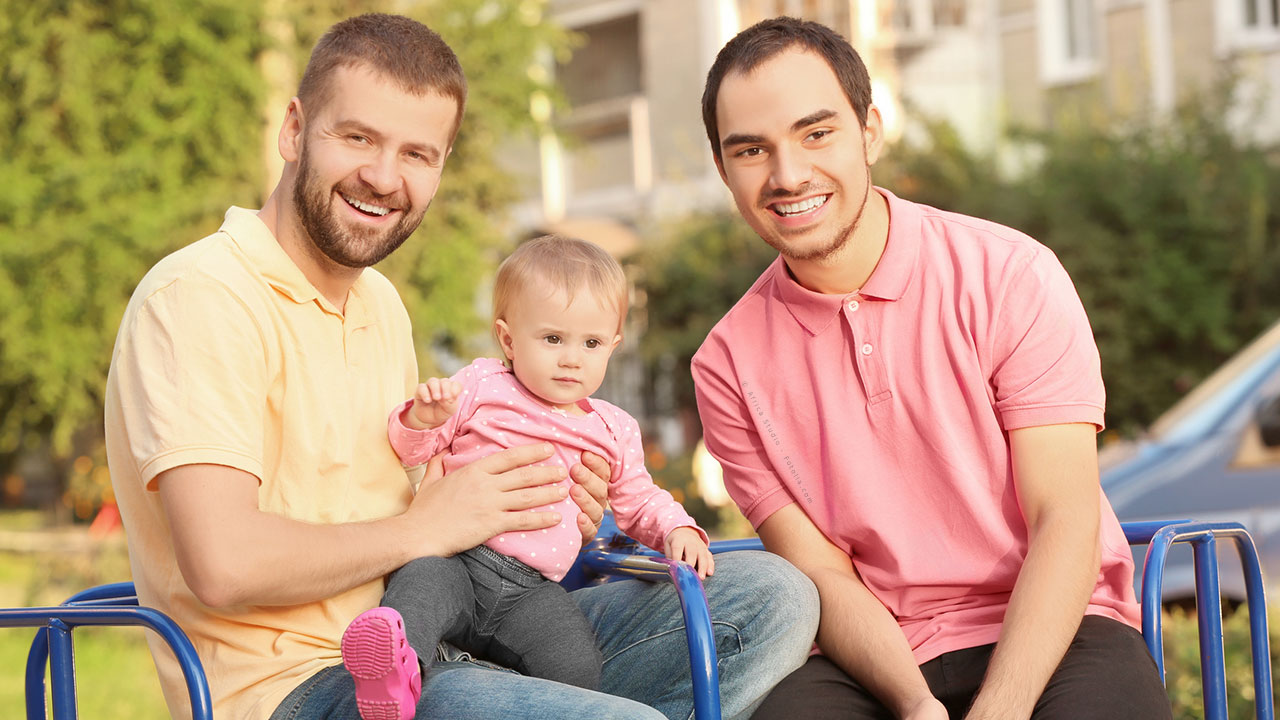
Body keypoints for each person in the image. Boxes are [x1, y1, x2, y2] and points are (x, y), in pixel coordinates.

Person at [104, 13, 817, 720]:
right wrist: (425, 531)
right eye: (357, 137)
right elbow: (223, 564)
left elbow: (433, 484)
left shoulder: (378, 304)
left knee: (774, 598)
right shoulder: (200, 296)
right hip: (299, 688)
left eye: (419, 154)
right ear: (293, 130)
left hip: (452, 630)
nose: (384, 177)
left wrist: (546, 498)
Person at [691, 16, 1172, 720]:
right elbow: (821, 573)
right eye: (752, 150)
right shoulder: (726, 363)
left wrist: (999, 710)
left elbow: (1062, 516)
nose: (788, 174)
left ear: (870, 132)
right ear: (724, 169)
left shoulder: (1011, 276)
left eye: (816, 133)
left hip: (1056, 629)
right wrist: (916, 705)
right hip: (877, 655)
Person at [342, 235, 714, 718]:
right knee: (417, 594)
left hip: (530, 589)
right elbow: (412, 450)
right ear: (508, 338)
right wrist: (423, 419)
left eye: (592, 342)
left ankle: (490, 682)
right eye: (553, 338)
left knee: (578, 665)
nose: (571, 357)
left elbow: (639, 498)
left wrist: (677, 527)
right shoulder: (480, 385)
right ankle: (392, 676)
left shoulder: (613, 428)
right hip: (458, 556)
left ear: (614, 345)